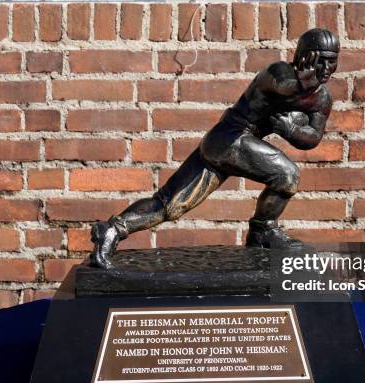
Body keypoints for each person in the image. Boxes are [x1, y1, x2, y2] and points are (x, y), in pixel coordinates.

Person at [91, 28, 339, 269]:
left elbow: (313, 137)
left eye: (333, 62)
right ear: (305, 57)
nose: (327, 69)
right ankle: (264, 229)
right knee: (286, 175)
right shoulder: (278, 72)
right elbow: (283, 86)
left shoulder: (322, 98)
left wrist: (291, 130)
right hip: (230, 139)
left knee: (171, 205)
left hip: (229, 146)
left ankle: (112, 229)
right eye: (322, 61)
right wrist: (304, 84)